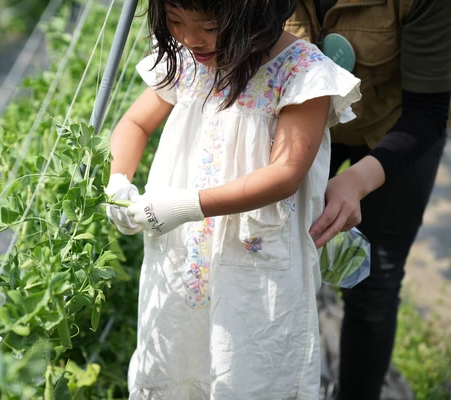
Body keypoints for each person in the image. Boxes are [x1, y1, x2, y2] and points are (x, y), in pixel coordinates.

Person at [104, 0, 361, 398]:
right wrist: (117, 182)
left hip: (256, 266)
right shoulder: (189, 62)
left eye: (208, 26)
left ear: (255, 13)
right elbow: (135, 123)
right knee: (178, 350)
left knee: (251, 367)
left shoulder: (300, 73)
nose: (190, 38)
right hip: (184, 256)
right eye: (174, 22)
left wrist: (186, 205)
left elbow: (284, 175)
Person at [284, 1, 451, 398]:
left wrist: (357, 181)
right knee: (273, 253)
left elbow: (427, 112)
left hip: (393, 129)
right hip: (296, 121)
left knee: (374, 284)